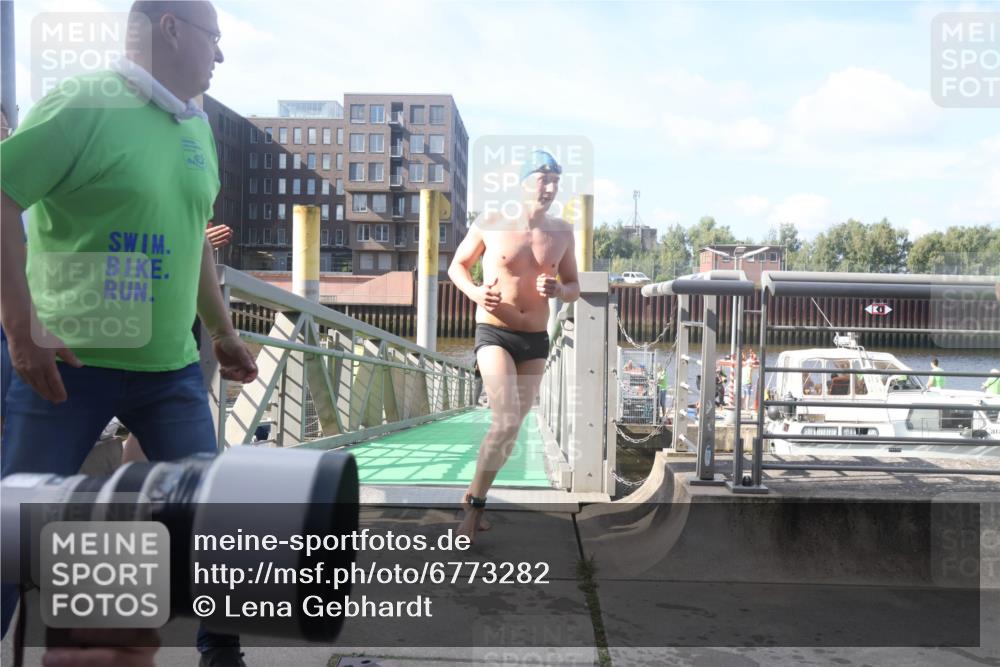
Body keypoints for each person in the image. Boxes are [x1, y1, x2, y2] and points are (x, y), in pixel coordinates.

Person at [0, 3, 257, 666]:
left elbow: (194, 240)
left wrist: (224, 333)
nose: (221, 56)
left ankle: (221, 655)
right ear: (170, 28)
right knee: (12, 534)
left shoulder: (194, 127)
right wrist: (22, 329)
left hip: (170, 370)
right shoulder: (83, 103)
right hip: (67, 369)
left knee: (213, 523)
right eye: (215, 39)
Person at [448, 150, 580, 541]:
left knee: (513, 430)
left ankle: (473, 493)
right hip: (495, 333)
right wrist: (475, 292)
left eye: (556, 180)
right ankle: (473, 512)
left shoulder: (562, 232)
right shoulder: (491, 221)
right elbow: (457, 265)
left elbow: (574, 287)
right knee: (504, 421)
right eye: (543, 178)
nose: (551, 187)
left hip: (536, 341)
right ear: (523, 182)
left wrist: (560, 289)